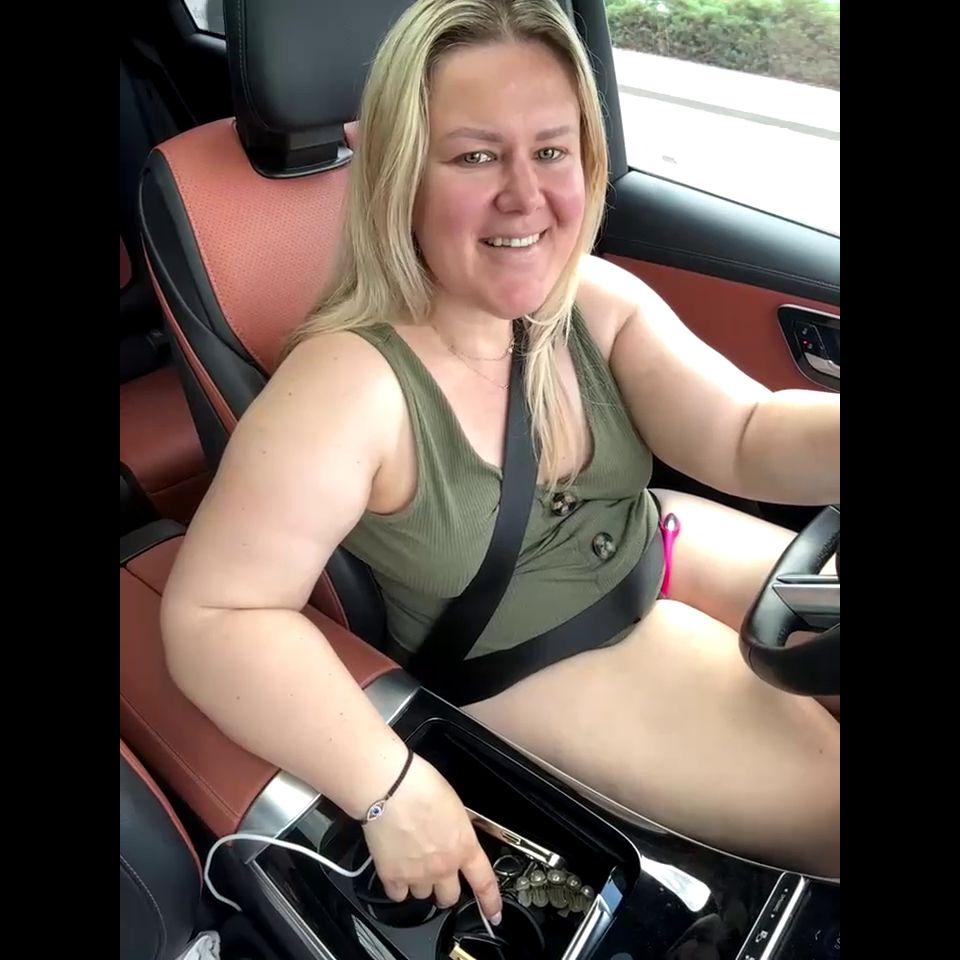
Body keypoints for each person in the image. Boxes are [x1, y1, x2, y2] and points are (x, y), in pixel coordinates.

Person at [160, 0, 840, 929]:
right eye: (476, 156)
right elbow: (217, 613)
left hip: (656, 550)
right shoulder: (350, 387)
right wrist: (387, 785)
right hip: (535, 652)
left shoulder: (592, 299)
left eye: (551, 150)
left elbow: (744, 432)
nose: (526, 195)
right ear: (402, 172)